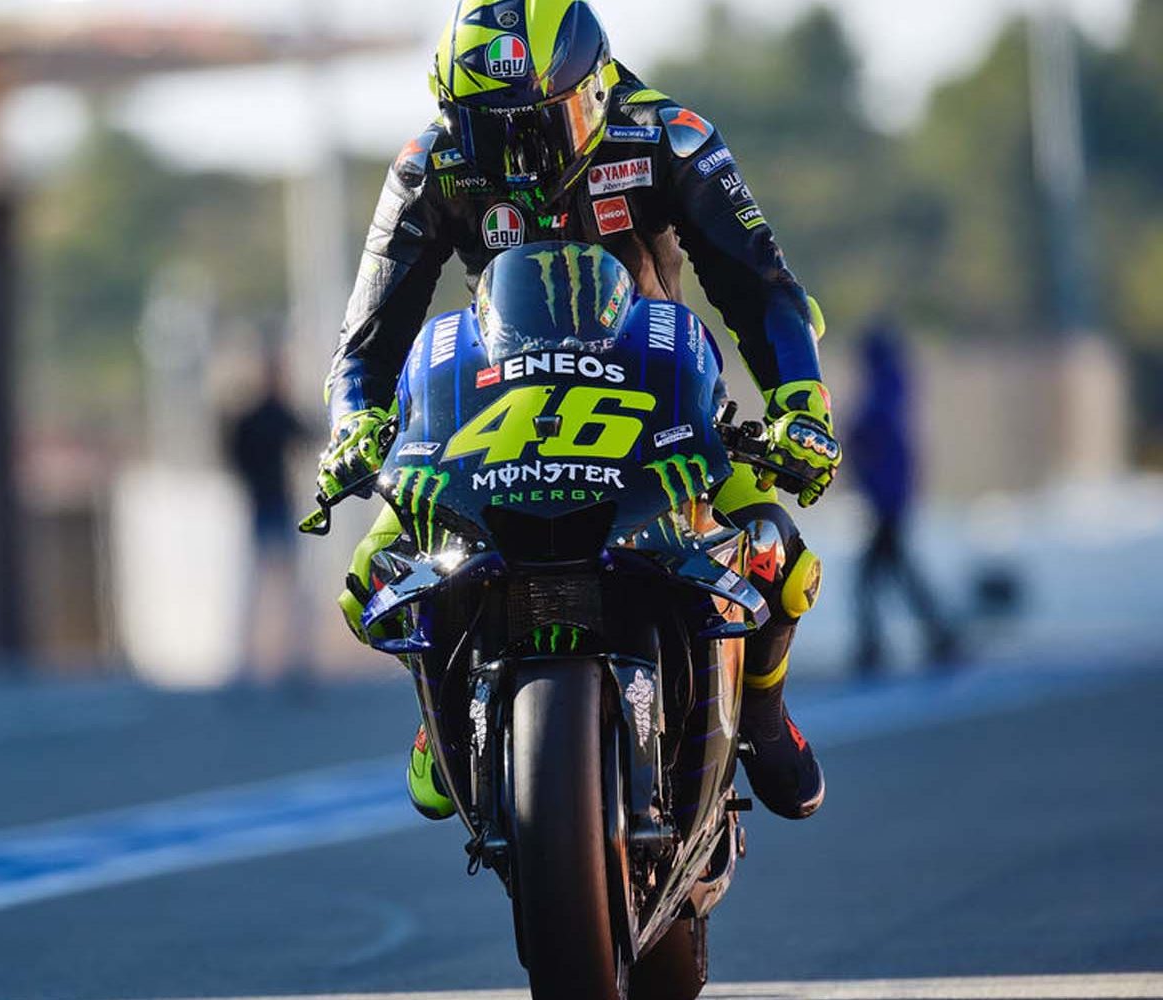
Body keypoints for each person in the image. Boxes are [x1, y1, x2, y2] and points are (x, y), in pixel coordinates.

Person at [316, 0, 838, 821]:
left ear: (595, 87)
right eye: (489, 130)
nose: (517, 156)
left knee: (779, 553)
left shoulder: (673, 135)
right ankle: (439, 700)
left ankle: (764, 716)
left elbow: (762, 287)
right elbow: (366, 339)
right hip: (495, 417)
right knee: (367, 581)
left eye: (538, 123)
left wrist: (800, 405)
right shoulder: (429, 164)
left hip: (656, 406)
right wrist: (355, 426)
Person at [848, 324, 959, 674]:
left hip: (887, 503)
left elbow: (875, 448)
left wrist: (871, 482)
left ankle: (876, 646)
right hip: (891, 501)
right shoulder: (892, 392)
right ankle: (938, 636)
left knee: (871, 578)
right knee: (897, 573)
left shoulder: (881, 399)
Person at [223, 358, 311, 688]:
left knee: (268, 591)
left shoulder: (260, 416)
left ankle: (285, 664)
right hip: (268, 509)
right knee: (268, 590)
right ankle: (276, 665)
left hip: (268, 508)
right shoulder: (268, 416)